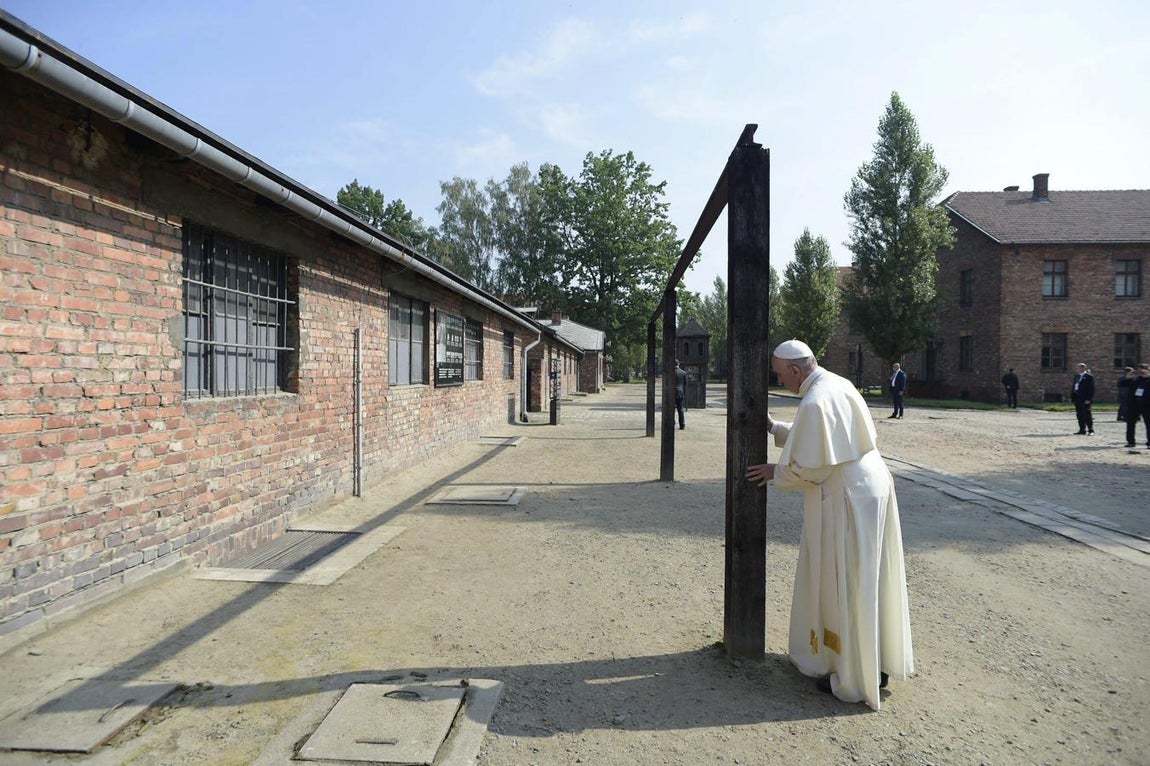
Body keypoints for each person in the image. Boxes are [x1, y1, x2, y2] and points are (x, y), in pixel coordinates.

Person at [746, 339, 913, 710]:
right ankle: (875, 663)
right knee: (870, 580)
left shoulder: (815, 400)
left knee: (847, 584)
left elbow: (811, 466)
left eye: (780, 374)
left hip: (846, 498)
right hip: (871, 486)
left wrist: (776, 471)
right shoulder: (837, 384)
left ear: (795, 370)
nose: (780, 381)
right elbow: (824, 438)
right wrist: (775, 428)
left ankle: (853, 676)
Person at [1126, 363, 1150, 449]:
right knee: (1130, 423)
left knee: (1148, 424)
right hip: (1134, 403)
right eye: (1140, 369)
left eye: (1144, 369)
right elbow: (1121, 384)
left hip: (1147, 404)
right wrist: (1128, 376)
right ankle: (1130, 442)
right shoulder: (1135, 379)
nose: (1141, 371)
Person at [1071, 363, 1095, 435]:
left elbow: (1091, 388)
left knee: (1087, 414)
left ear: (1083, 368)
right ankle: (1082, 429)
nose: (1077, 369)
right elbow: (1074, 386)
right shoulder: (1077, 376)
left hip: (1085, 398)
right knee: (1079, 414)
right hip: (1077, 397)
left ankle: (1090, 430)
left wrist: (1089, 399)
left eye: (1078, 368)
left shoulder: (1089, 377)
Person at [673, 359, 688, 430]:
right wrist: (683, 393)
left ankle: (672, 422)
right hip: (680, 392)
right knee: (680, 409)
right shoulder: (683, 372)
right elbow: (685, 385)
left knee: (671, 409)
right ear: (678, 364)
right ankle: (682, 424)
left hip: (672, 393)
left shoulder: (672, 372)